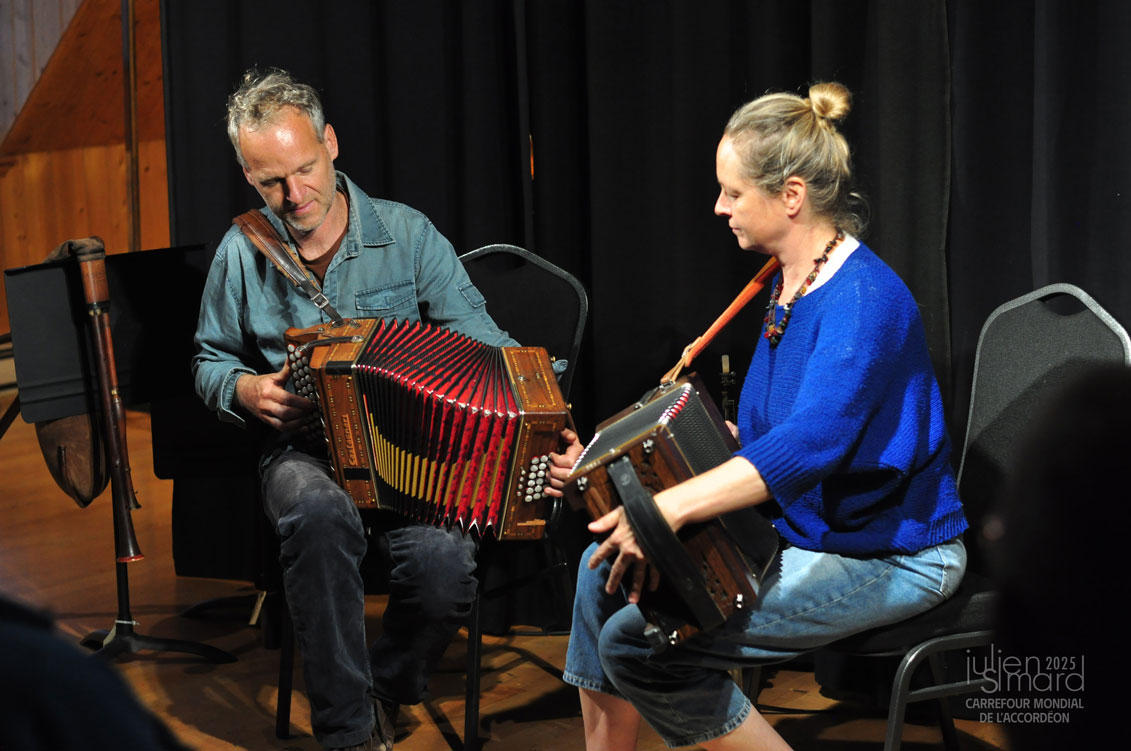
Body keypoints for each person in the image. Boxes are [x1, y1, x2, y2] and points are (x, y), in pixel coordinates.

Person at [553, 82, 969, 750]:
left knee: (638, 643)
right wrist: (611, 471)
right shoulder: (785, 281)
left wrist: (667, 507)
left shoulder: (864, 301)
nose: (719, 207)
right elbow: (769, 434)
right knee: (600, 572)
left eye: (733, 192)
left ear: (791, 195)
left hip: (894, 552)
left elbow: (811, 443)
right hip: (806, 528)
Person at [192, 68, 577, 751]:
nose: (294, 195)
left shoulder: (406, 233)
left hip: (414, 455)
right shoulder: (240, 253)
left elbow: (486, 340)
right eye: (271, 182)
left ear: (330, 144)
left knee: (444, 568)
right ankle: (348, 735)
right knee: (316, 516)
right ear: (248, 175)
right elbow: (208, 362)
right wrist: (246, 390)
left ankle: (385, 689)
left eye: (305, 170)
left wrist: (545, 412)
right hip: (304, 453)